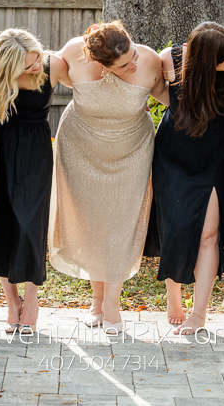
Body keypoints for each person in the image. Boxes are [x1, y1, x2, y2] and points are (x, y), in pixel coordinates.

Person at [48, 21, 167, 334]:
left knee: (120, 226)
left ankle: (112, 307)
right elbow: (40, 78)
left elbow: (173, 99)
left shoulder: (150, 60)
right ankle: (96, 302)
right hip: (81, 150)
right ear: (103, 66)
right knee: (91, 226)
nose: (135, 62)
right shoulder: (72, 54)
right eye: (126, 64)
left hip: (131, 154)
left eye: (133, 53)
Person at [150, 22, 224, 334]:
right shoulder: (171, 59)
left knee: (208, 234)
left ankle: (199, 314)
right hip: (173, 157)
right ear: (204, 58)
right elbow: (158, 90)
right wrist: (182, 108)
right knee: (175, 228)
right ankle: (173, 296)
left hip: (213, 158)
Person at [0, 28, 69, 335]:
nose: (36, 67)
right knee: (4, 224)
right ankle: (11, 302)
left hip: (36, 151)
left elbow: (85, 81)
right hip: (1, 148)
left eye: (36, 59)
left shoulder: (53, 65)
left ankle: (32, 301)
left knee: (31, 224)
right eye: (28, 64)